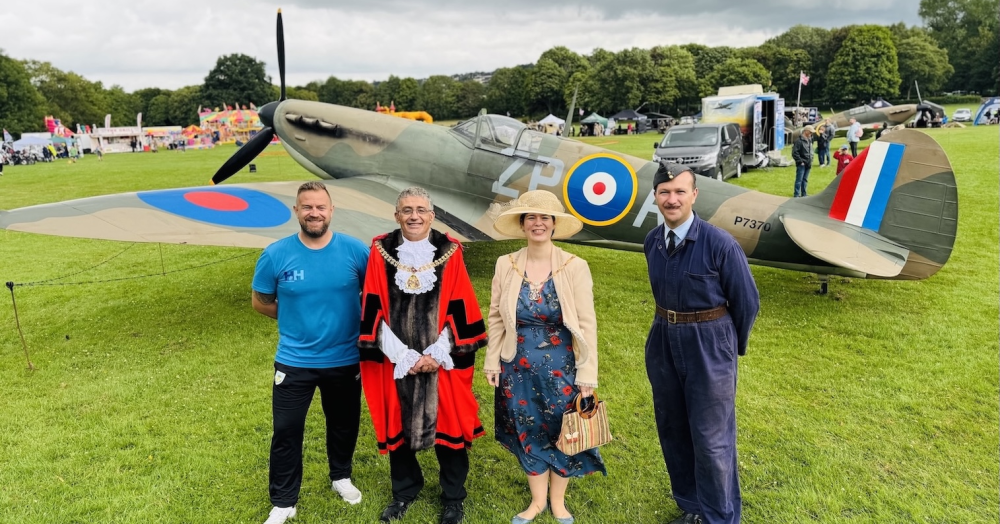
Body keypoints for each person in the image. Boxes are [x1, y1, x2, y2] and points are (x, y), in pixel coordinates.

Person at [358, 187, 488, 524]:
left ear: (432, 215)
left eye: (420, 210)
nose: (414, 216)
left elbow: (460, 304)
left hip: (441, 357)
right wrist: (403, 355)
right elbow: (373, 305)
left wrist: (436, 352)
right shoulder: (380, 250)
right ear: (396, 215)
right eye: (406, 210)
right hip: (395, 358)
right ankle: (404, 492)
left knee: (451, 426)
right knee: (398, 423)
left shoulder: (450, 250)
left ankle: (453, 498)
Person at [643, 162, 760, 524]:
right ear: (655, 197)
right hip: (664, 338)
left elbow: (747, 302)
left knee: (711, 439)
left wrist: (726, 349)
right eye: (664, 192)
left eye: (680, 191)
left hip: (709, 345)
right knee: (673, 428)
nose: (672, 199)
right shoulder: (652, 242)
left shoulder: (719, 244)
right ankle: (693, 508)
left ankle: (720, 517)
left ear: (694, 195)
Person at [483, 191, 606, 524]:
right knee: (528, 430)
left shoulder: (574, 266)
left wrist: (587, 375)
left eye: (545, 218)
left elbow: (586, 324)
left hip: (562, 367)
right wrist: (492, 360)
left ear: (553, 225)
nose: (538, 224)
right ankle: (537, 501)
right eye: (531, 218)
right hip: (516, 366)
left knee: (562, 430)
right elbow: (496, 316)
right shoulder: (505, 264)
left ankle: (558, 501)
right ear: (523, 225)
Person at [251, 181, 369, 524]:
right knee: (286, 430)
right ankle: (284, 501)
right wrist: (293, 316)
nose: (314, 213)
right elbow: (261, 301)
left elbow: (373, 297)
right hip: (294, 361)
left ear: (331, 211)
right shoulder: (275, 253)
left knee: (344, 424)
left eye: (320, 207)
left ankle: (341, 477)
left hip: (345, 359)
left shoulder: (354, 251)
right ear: (296, 212)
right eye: (307, 207)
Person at [791, 125, 814, 198]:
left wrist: (811, 159)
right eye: (810, 132)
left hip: (808, 162)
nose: (811, 134)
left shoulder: (809, 139)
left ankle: (804, 194)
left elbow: (810, 151)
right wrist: (801, 161)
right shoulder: (799, 141)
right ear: (806, 131)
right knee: (799, 180)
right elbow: (795, 153)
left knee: (805, 180)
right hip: (802, 163)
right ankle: (796, 195)